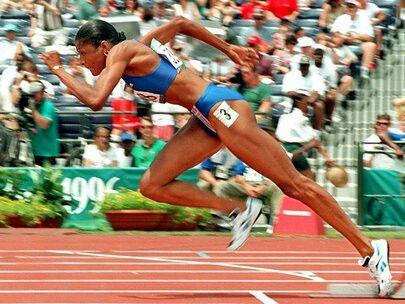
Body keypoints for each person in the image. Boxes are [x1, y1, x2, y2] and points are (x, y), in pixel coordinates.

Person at [40, 18, 392, 296]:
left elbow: (96, 99)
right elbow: (179, 23)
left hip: (222, 109)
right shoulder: (137, 48)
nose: (82, 63)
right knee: (152, 184)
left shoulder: (123, 51)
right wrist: (229, 49)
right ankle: (238, 210)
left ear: (103, 46)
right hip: (203, 116)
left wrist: (58, 69)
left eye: (84, 55)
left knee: (294, 185)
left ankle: (369, 249)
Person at [25, 81, 60, 166]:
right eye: (32, 94)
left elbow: (44, 125)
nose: (33, 96)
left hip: (47, 152)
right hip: (34, 151)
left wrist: (33, 109)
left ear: (42, 93)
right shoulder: (31, 106)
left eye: (36, 93)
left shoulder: (48, 106)